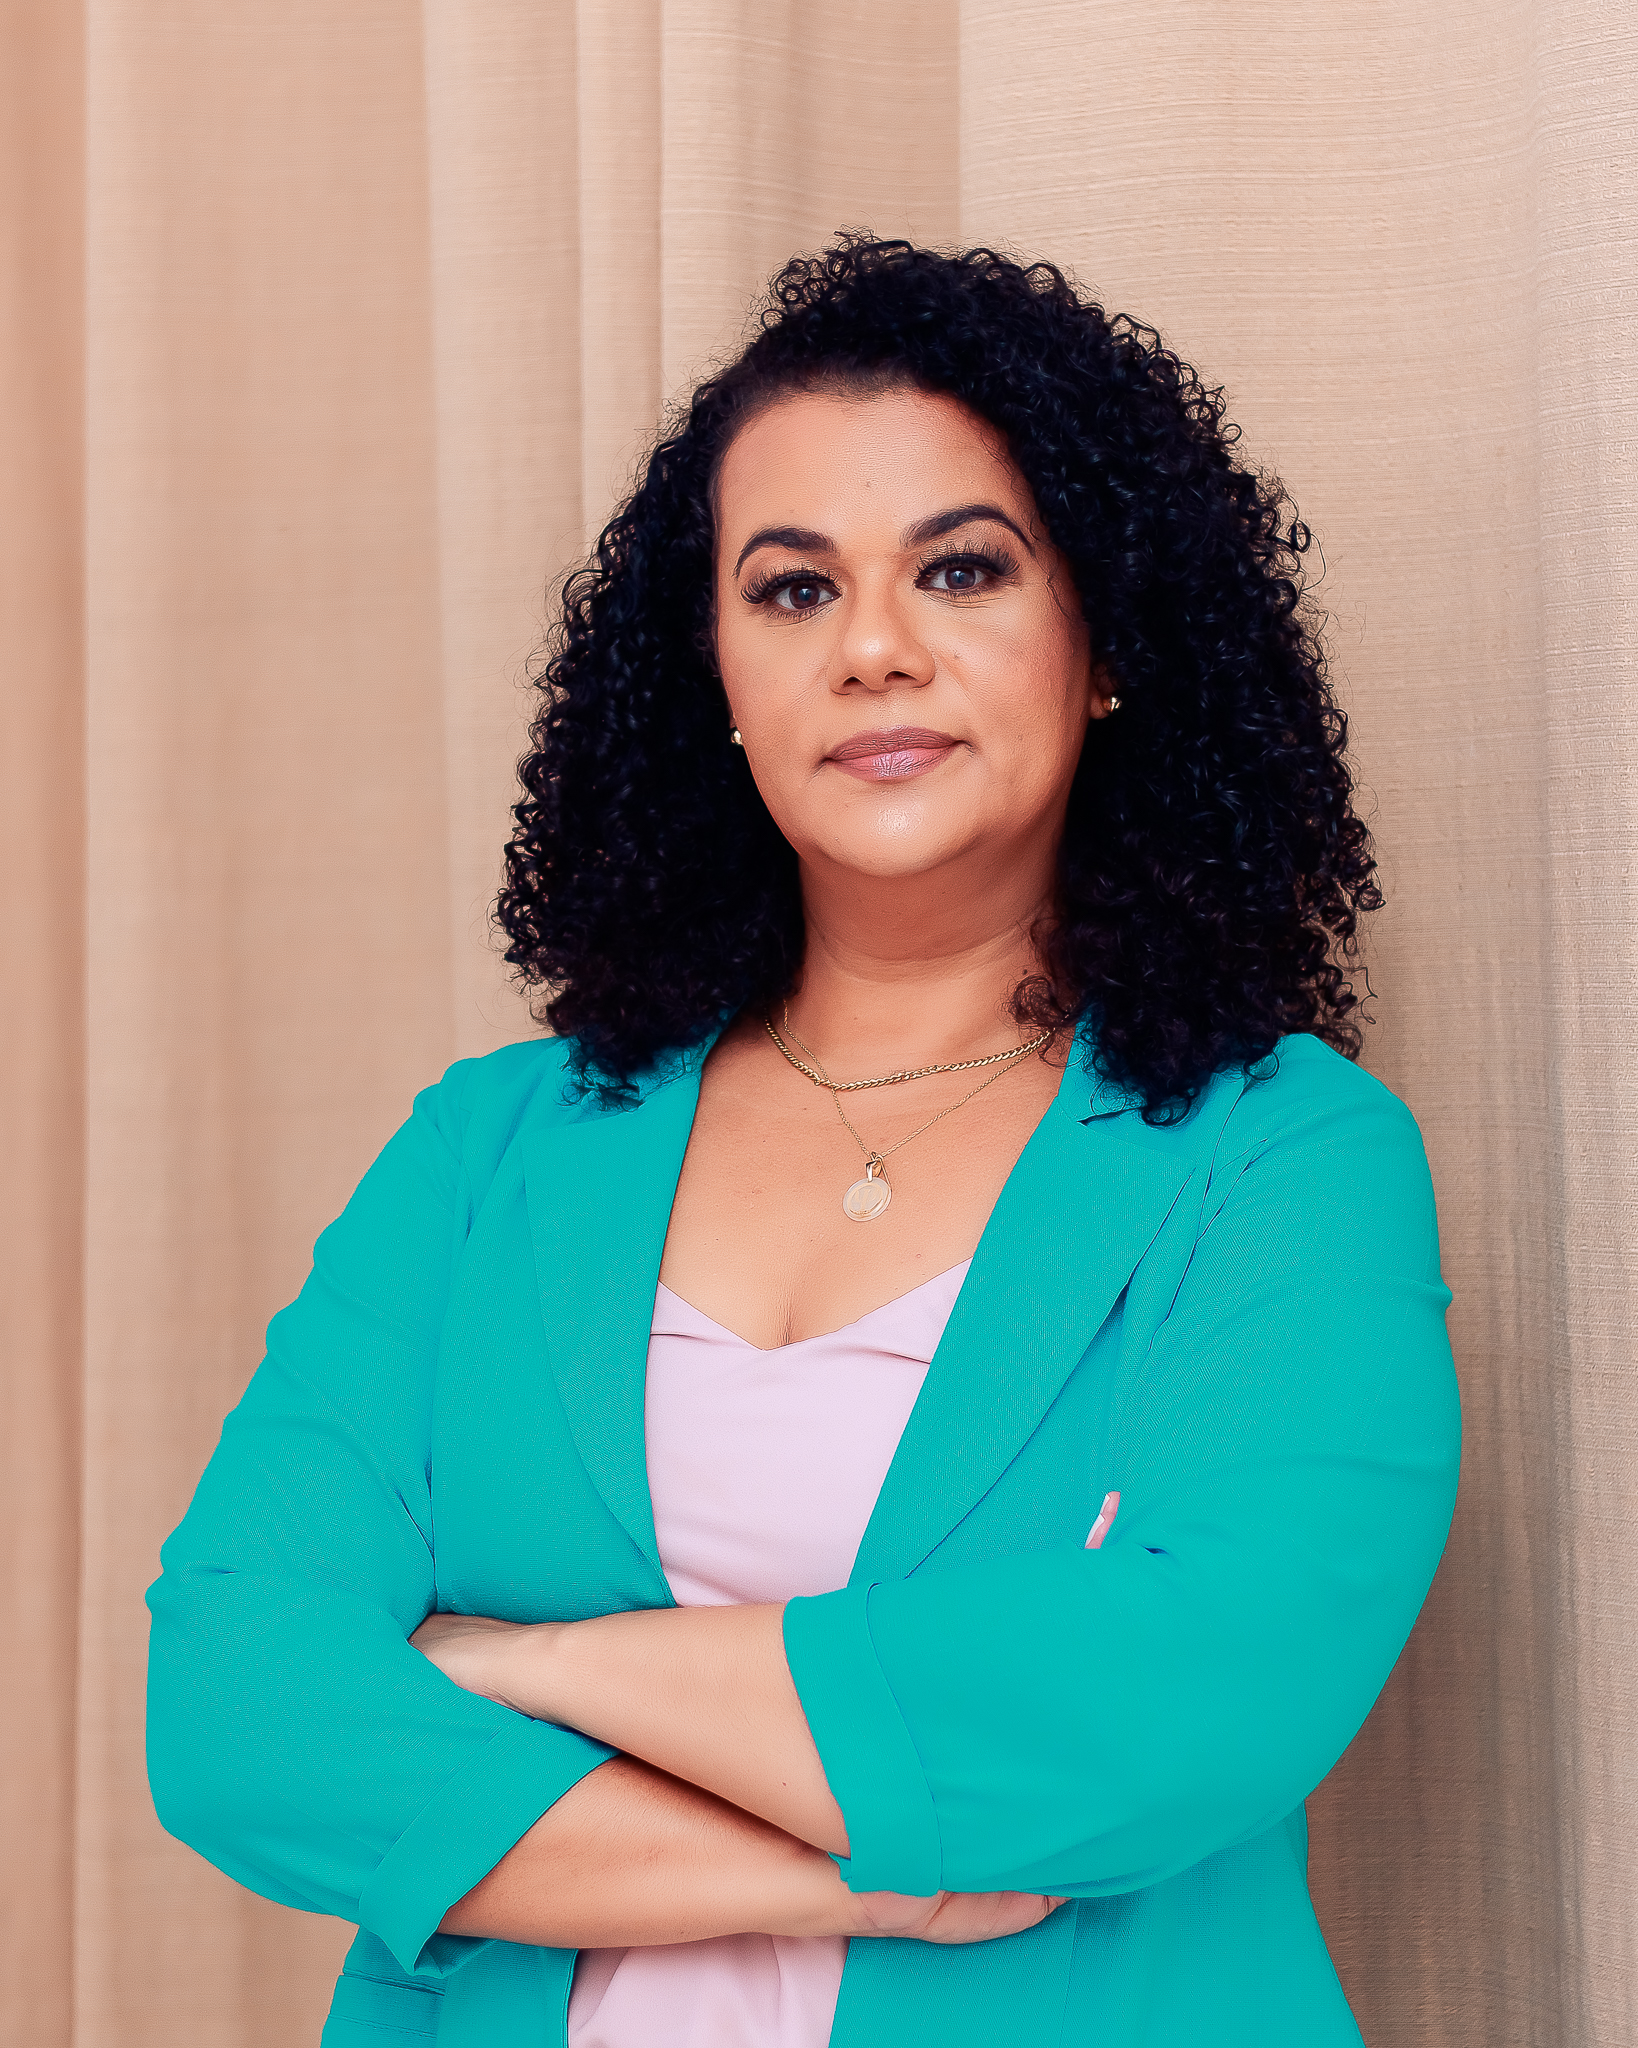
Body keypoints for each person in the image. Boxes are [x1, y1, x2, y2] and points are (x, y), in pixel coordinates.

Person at [145, 236, 1460, 2048]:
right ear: (716, 676)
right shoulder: (485, 1150)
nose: (872, 649)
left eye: (962, 568)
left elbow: (1193, 1696)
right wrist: (838, 1878)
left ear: (1104, 649)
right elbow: (234, 1706)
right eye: (790, 589)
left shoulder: (1283, 1158)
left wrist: (528, 1667)